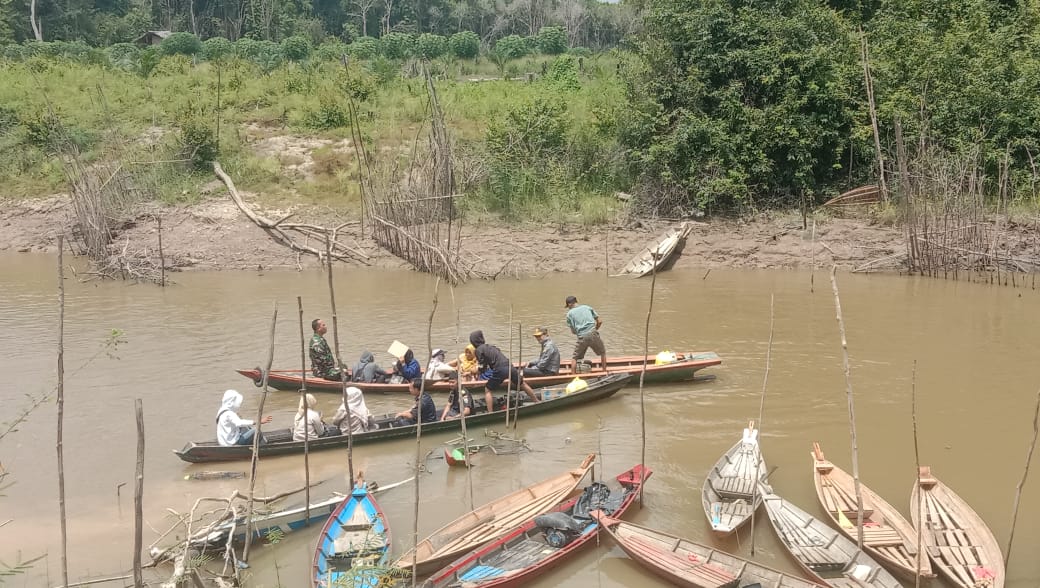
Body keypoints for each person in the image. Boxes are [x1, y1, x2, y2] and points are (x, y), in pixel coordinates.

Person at [469, 330, 540, 410]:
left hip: (500, 369)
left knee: (487, 389)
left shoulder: (478, 350)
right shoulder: (491, 347)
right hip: (510, 366)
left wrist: (473, 371)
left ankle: (490, 413)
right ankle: (536, 401)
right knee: (522, 384)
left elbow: (482, 367)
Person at [564, 295, 607, 371]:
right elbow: (600, 321)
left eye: (568, 306)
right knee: (602, 353)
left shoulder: (569, 314)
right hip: (593, 333)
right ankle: (604, 371)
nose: (569, 308)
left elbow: (573, 331)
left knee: (575, 358)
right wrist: (595, 330)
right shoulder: (587, 307)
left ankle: (573, 377)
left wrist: (580, 332)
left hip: (582, 336)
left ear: (570, 304)